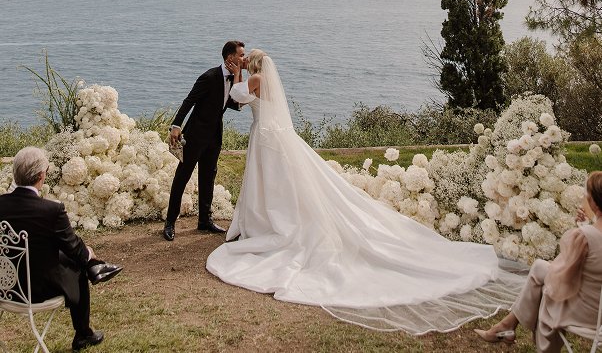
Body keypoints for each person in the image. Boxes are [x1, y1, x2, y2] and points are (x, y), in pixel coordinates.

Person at [206, 49, 525, 335]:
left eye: (248, 60)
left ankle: (273, 227)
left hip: (267, 139)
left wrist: (237, 72)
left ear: (256, 65)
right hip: (269, 138)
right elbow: (243, 100)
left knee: (274, 187)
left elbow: (236, 94)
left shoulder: (256, 78)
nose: (245, 62)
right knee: (276, 187)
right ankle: (266, 224)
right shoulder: (262, 79)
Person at [0, 146, 122, 351]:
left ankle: (94, 267)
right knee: (79, 262)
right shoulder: (51, 210)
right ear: (41, 175)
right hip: (35, 292)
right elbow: (74, 249)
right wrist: (88, 254)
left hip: (4, 287)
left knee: (61, 253)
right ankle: (83, 334)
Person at [474, 170, 602, 351]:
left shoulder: (584, 237)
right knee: (541, 268)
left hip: (585, 315)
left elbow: (561, 275)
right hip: (598, 308)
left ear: (594, 201)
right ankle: (506, 326)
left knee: (543, 290)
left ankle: (510, 328)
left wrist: (582, 229)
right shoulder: (588, 234)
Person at [163, 40, 245, 240]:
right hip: (195, 135)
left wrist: (238, 75)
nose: (244, 58)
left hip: (215, 135)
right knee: (182, 176)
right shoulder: (209, 77)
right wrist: (176, 126)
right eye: (241, 55)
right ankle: (170, 222)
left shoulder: (233, 79)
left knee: (209, 177)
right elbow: (189, 100)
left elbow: (237, 102)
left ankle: (204, 221)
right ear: (230, 58)